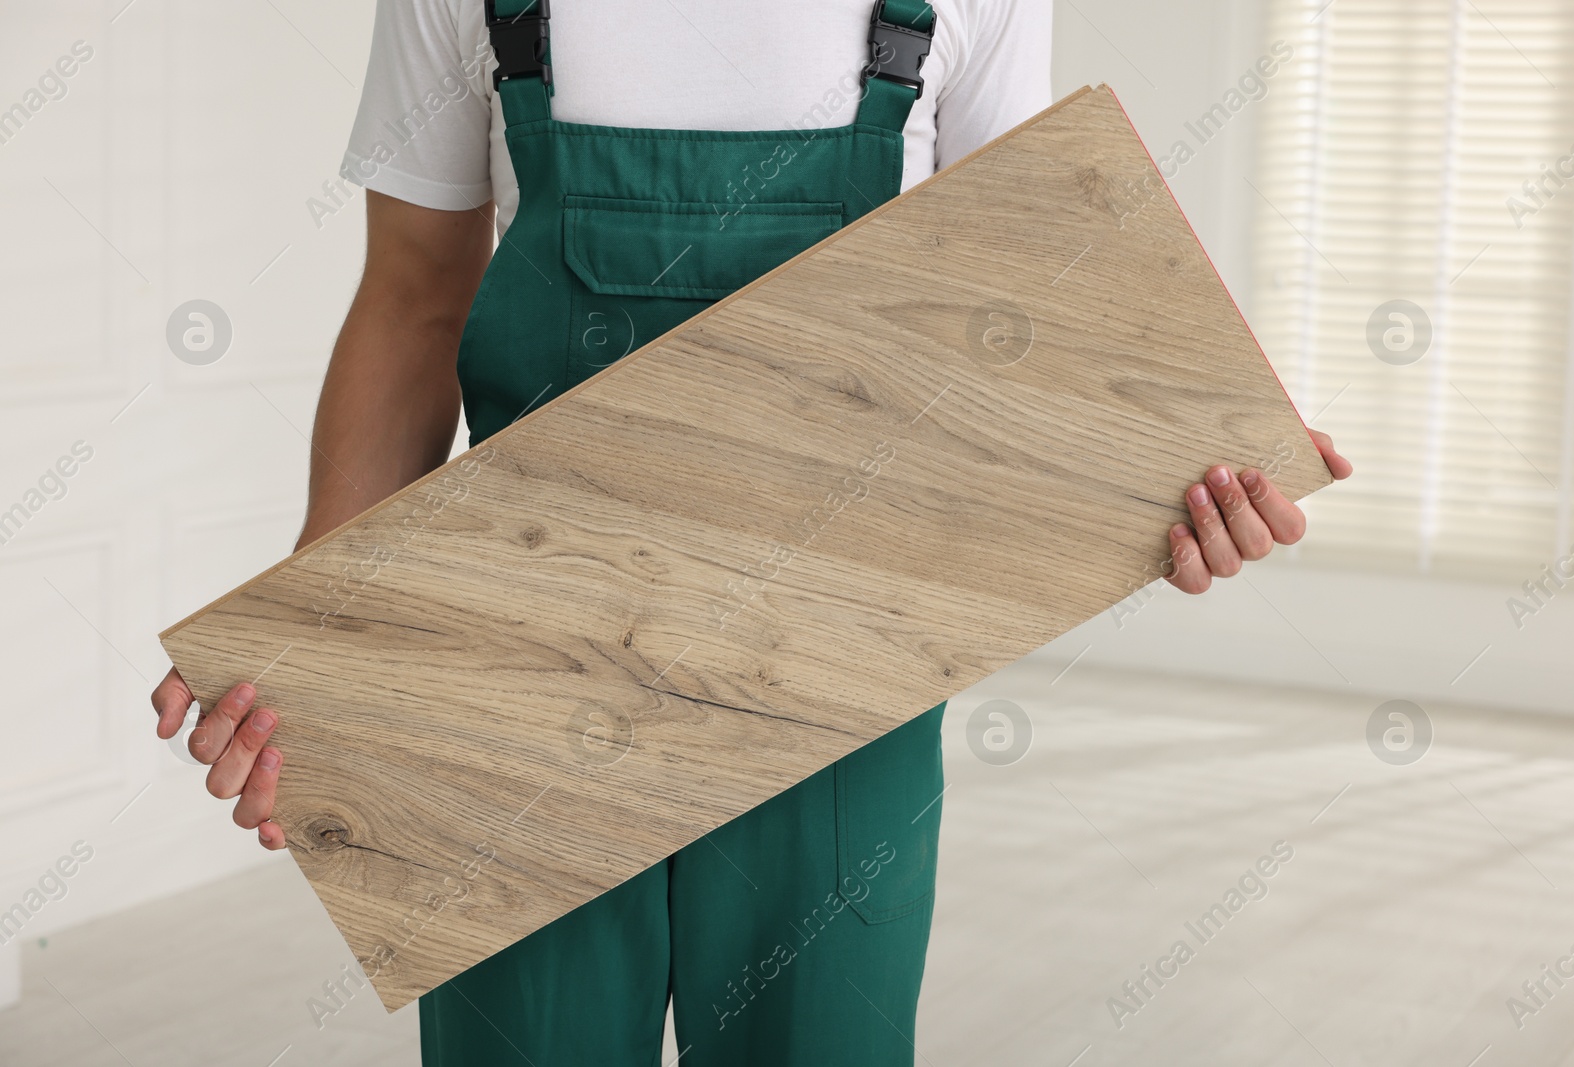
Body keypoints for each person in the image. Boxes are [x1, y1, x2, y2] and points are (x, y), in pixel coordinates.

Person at [150, 1, 1354, 1064]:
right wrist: (305, 651)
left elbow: (1023, 322)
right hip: (509, 695)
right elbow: (413, 301)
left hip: (841, 692)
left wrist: (1182, 490)